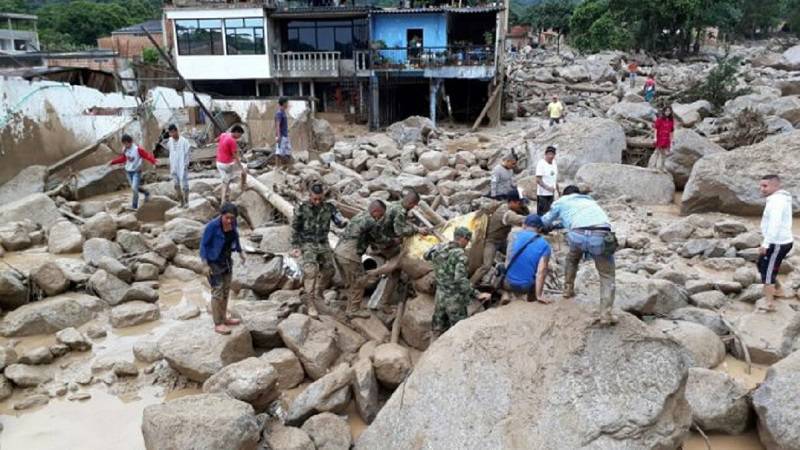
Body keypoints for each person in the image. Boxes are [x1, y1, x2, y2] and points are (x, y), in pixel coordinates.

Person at [542, 185, 618, 325]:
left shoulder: (562, 201)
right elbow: (590, 221)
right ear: (578, 193)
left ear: (565, 194)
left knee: (572, 258)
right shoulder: (590, 202)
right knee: (607, 275)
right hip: (601, 236)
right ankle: (606, 314)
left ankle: (567, 290)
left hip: (577, 236)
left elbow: (546, 220)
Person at [424, 227, 491, 341]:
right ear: (463, 239)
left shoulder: (439, 247)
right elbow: (460, 280)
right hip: (454, 299)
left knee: (437, 328)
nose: (467, 243)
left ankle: (432, 352)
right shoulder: (460, 255)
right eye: (467, 240)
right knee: (459, 330)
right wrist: (477, 294)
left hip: (440, 295)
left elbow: (426, 255)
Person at [291, 183, 347, 317]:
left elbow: (339, 221)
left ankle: (318, 292)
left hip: (323, 242)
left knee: (329, 270)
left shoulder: (329, 207)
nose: (317, 202)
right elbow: (295, 227)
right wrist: (295, 246)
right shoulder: (302, 207)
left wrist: (345, 221)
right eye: (314, 199)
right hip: (308, 243)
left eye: (319, 199)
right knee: (310, 272)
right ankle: (311, 304)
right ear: (310, 196)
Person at [334, 200, 386, 318]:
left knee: (350, 282)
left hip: (338, 251)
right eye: (381, 215)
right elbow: (380, 240)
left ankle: (349, 307)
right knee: (360, 281)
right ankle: (353, 310)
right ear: (376, 211)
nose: (381, 218)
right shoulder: (371, 221)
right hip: (349, 255)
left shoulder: (359, 216)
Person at [200, 203, 246, 335]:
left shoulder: (233, 223)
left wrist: (240, 251)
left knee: (226, 291)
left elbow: (235, 236)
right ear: (222, 215)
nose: (230, 221)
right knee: (217, 292)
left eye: (232, 218)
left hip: (226, 260)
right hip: (213, 262)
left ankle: (224, 318)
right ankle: (218, 323)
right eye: (227, 218)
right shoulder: (212, 226)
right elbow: (203, 245)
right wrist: (204, 264)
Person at [471, 190, 528, 285]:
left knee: (517, 254)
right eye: (519, 203)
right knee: (486, 266)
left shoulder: (507, 206)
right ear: (512, 202)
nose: (521, 205)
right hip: (491, 241)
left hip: (502, 240)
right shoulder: (505, 213)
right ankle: (470, 285)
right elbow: (518, 219)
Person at [757, 175, 794, 312]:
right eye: (761, 185)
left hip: (777, 242)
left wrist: (766, 244)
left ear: (776, 186)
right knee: (761, 264)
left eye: (765, 186)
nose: (762, 189)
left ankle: (769, 304)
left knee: (767, 271)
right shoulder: (777, 198)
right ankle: (778, 290)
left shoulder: (777, 201)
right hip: (778, 240)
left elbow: (775, 224)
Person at [503, 214, 552, 304]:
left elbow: (508, 259)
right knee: (539, 271)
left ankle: (505, 293)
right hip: (525, 287)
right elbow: (541, 272)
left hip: (508, 283)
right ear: (540, 229)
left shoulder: (513, 236)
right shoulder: (545, 245)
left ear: (524, 225)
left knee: (500, 267)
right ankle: (532, 300)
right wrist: (539, 295)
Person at [373, 190, 427, 258]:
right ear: (411, 204)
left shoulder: (396, 203)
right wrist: (417, 230)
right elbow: (400, 232)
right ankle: (385, 251)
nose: (413, 207)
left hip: (377, 232)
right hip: (381, 239)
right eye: (413, 205)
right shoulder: (399, 212)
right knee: (404, 247)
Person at [109, 134, 155, 210]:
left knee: (134, 189)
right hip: (128, 171)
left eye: (127, 143)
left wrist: (153, 161)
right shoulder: (124, 149)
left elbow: (146, 155)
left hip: (136, 171)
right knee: (135, 188)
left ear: (131, 142)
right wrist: (113, 162)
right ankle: (146, 193)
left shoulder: (138, 149)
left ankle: (134, 207)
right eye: (124, 143)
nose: (125, 145)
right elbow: (123, 159)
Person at [216, 125, 247, 202]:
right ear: (236, 132)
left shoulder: (223, 134)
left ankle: (224, 198)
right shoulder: (232, 141)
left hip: (218, 163)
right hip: (227, 164)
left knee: (225, 181)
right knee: (245, 168)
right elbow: (236, 157)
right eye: (239, 135)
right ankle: (243, 190)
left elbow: (216, 140)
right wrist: (242, 168)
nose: (239, 137)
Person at [166, 124, 192, 207]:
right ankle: (181, 201)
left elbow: (188, 154)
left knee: (185, 185)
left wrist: (186, 164)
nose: (172, 134)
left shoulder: (184, 141)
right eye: (170, 133)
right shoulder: (170, 141)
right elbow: (171, 152)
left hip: (182, 165)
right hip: (174, 166)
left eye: (173, 132)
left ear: (176, 131)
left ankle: (187, 201)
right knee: (176, 185)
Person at [535, 146, 558, 215]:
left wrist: (558, 191)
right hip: (543, 194)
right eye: (549, 154)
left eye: (552, 154)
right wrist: (547, 188)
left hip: (552, 193)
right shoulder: (541, 163)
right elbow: (538, 179)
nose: (551, 156)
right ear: (546, 154)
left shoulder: (554, 163)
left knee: (550, 212)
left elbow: (555, 177)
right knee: (543, 213)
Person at [653, 107, 675, 172]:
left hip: (666, 139)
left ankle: (662, 167)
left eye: (669, 111)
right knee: (657, 152)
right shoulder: (660, 119)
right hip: (660, 137)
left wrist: (672, 139)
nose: (668, 112)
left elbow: (671, 131)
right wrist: (655, 137)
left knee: (664, 154)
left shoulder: (671, 120)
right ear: (664, 111)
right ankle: (654, 166)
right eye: (666, 111)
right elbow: (656, 129)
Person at [274, 97, 292, 168]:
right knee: (279, 153)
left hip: (285, 135)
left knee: (288, 152)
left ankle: (287, 166)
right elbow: (277, 125)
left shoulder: (283, 112)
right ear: (284, 103)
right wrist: (278, 136)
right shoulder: (279, 113)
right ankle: (277, 167)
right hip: (281, 136)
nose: (288, 104)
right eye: (287, 103)